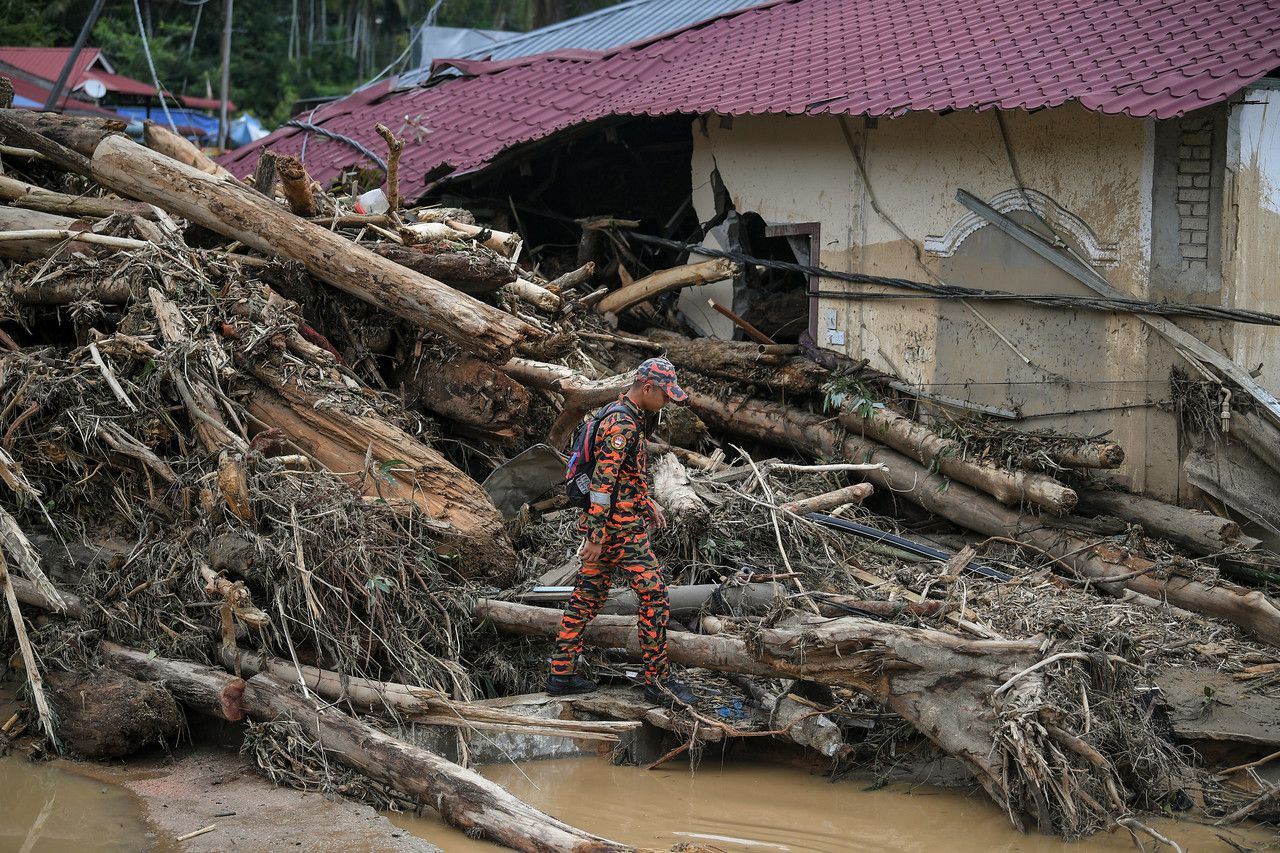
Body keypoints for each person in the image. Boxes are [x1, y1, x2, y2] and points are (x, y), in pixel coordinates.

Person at [546, 357, 697, 707]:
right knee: (655, 595)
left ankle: (562, 673)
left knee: (586, 596)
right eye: (665, 396)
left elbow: (623, 476)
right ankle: (656, 680)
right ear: (647, 388)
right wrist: (596, 538)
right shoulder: (622, 423)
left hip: (616, 521)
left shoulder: (621, 413)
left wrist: (646, 501)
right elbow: (602, 484)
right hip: (619, 529)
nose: (668, 403)